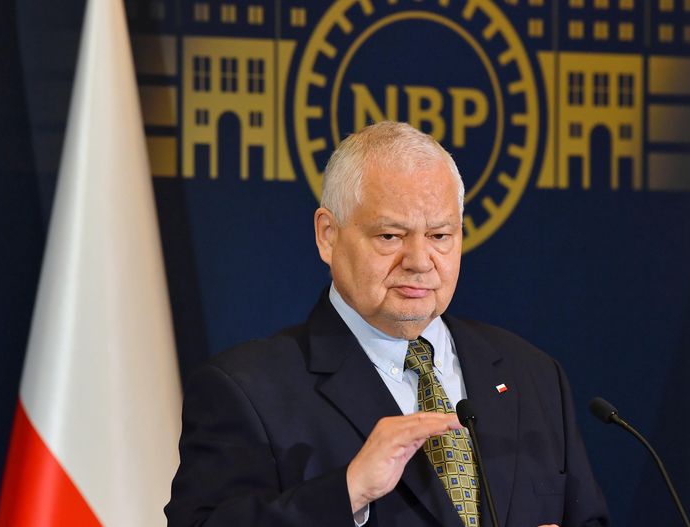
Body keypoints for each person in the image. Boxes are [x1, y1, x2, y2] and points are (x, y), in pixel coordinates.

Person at [165, 122, 609, 527]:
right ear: (328, 235)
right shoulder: (247, 390)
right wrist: (349, 491)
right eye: (390, 236)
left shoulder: (532, 375)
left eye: (439, 236)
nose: (419, 261)